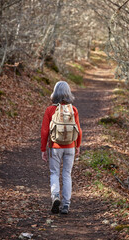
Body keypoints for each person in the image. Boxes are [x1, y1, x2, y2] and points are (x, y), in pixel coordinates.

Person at [41, 81, 82, 214]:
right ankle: (66, 205)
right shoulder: (73, 109)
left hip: (55, 146)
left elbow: (44, 131)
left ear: (55, 93)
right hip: (70, 146)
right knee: (67, 174)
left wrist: (43, 149)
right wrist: (78, 146)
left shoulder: (50, 110)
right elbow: (79, 130)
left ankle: (55, 196)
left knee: (54, 173)